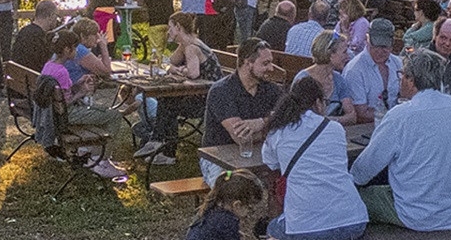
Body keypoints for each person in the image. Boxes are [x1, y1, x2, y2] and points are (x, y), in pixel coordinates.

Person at [349, 50, 451, 231]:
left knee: (350, 197)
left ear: (411, 80)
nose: (400, 80)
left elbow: (365, 168)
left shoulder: (401, 115)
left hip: (417, 214)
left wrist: (349, 182)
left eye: (402, 75)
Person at [261, 77, 369, 240]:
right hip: (354, 223)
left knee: (272, 229)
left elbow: (271, 163)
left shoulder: (278, 132)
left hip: (305, 230)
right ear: (318, 103)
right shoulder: (335, 128)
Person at [133, 12, 222, 165]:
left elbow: (193, 73)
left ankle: (160, 144)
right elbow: (168, 64)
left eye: (170, 28)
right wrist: (176, 69)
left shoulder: (192, 47)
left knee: (168, 104)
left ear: (179, 27)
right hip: (200, 93)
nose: (168, 32)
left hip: (208, 100)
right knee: (168, 100)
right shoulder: (185, 45)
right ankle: (162, 146)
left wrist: (180, 70)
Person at [40, 28, 125, 178]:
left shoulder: (49, 65)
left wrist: (77, 83)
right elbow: (65, 103)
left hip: (56, 114)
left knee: (102, 112)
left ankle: (95, 155)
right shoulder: (62, 71)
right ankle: (100, 160)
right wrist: (81, 92)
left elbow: (61, 94)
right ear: (67, 50)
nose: (76, 51)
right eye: (75, 48)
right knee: (114, 115)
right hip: (67, 115)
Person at [199, 37, 283, 186]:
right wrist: (271, 129)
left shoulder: (271, 89)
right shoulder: (222, 91)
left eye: (271, 63)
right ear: (247, 63)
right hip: (219, 160)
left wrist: (262, 122)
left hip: (261, 156)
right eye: (265, 63)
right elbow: (242, 139)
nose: (271, 68)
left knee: (284, 181)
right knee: (231, 188)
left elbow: (288, 120)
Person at [291, 29, 359, 123]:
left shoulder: (338, 80)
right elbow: (297, 117)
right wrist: (334, 121)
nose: (348, 57)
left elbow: (352, 117)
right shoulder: (303, 80)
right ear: (330, 54)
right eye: (344, 52)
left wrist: (327, 122)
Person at [345, 18, 403, 123]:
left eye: (384, 47)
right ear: (367, 40)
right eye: (375, 46)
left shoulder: (397, 63)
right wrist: (395, 116)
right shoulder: (354, 70)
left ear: (392, 44)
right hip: (368, 126)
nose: (379, 51)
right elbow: (361, 114)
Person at [10, 0, 58, 73]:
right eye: (56, 16)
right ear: (51, 16)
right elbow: (44, 65)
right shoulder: (40, 37)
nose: (56, 19)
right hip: (33, 77)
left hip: (18, 75)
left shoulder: (23, 31)